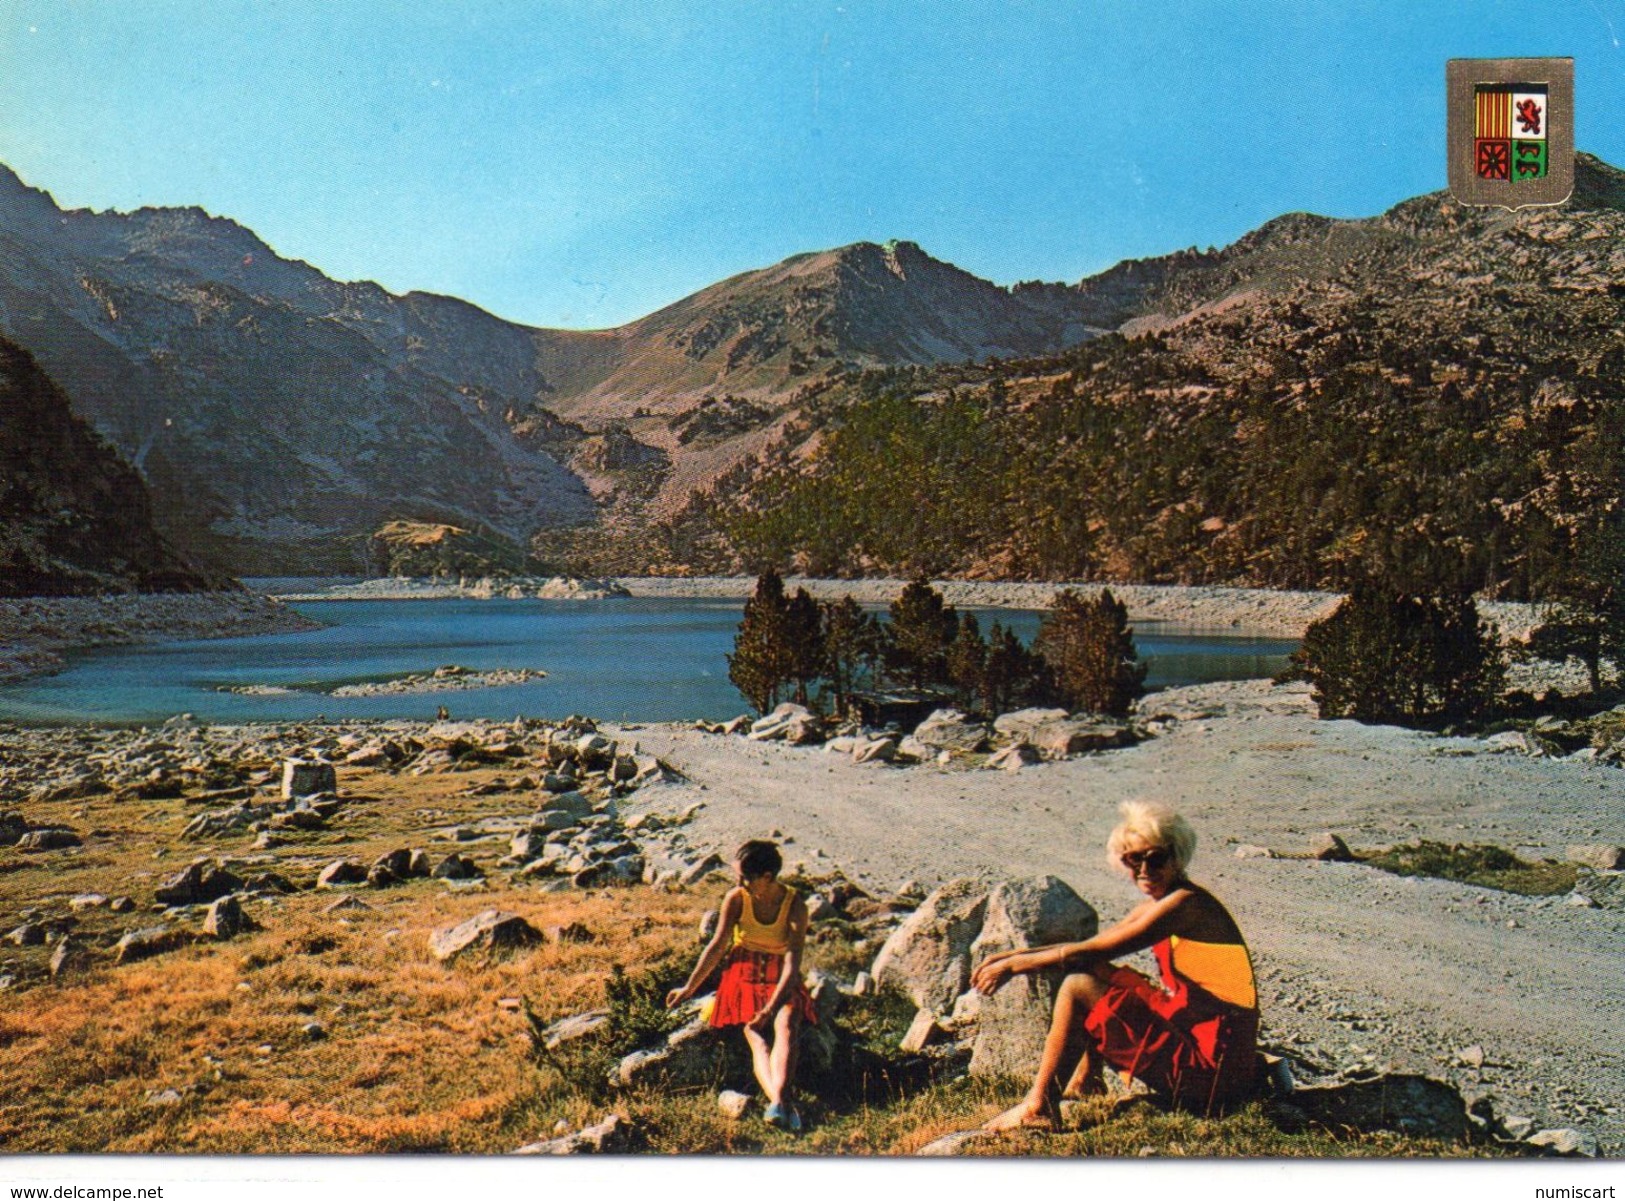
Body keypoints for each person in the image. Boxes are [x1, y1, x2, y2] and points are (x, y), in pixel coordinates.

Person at [971, 800, 1259, 1129]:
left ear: (1177, 857)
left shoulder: (1186, 905)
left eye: (1156, 858)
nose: (1144, 870)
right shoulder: (1164, 901)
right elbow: (1091, 950)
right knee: (1097, 971)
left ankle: (1038, 1106)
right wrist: (1010, 957)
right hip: (1201, 1039)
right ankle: (1087, 1079)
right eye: (1133, 859)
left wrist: (1015, 966)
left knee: (1079, 985)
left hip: (1214, 1071)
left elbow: (1086, 951)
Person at [666, 839, 817, 1131]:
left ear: (767, 877)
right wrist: (689, 987)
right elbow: (718, 944)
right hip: (743, 971)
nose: (738, 882)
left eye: (745, 877)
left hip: (780, 975)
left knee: (787, 1024)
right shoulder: (736, 898)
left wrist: (771, 1008)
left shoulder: (795, 904)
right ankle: (782, 1102)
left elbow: (792, 963)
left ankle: (779, 1104)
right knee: (754, 1031)